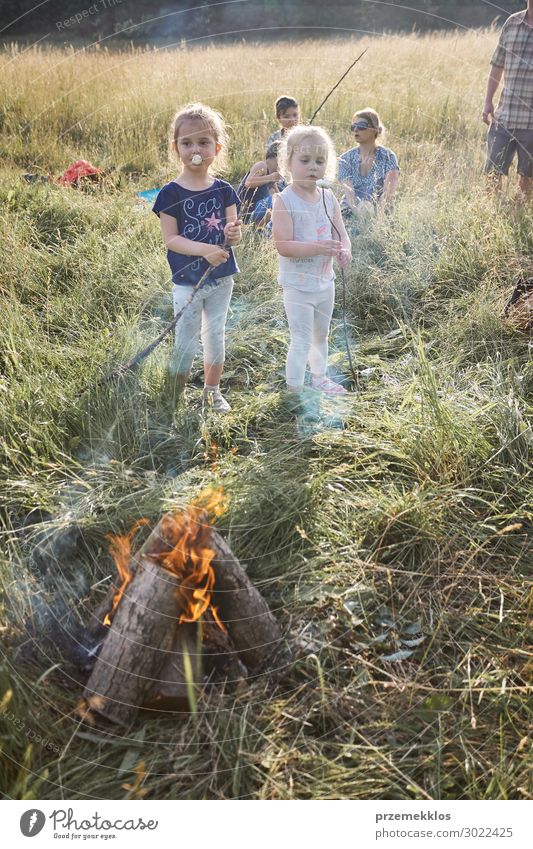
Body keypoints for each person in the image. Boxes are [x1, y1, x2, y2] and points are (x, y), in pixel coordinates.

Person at [152, 103, 242, 414]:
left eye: (204, 142)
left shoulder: (225, 190)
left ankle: (212, 392)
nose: (195, 149)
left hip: (221, 278)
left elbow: (234, 233)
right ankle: (173, 398)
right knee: (186, 341)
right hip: (188, 282)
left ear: (217, 148)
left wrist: (232, 235)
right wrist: (205, 249)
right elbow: (171, 239)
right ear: (175, 147)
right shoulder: (170, 193)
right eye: (187, 142)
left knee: (215, 336)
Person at [272, 125, 352, 396]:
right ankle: (294, 389)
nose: (312, 167)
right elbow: (283, 246)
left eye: (319, 161)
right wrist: (318, 247)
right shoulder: (284, 200)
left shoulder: (329, 198)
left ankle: (319, 378)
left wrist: (345, 250)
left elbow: (341, 233)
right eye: (304, 161)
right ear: (288, 163)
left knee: (321, 335)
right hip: (297, 285)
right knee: (302, 338)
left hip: (324, 282)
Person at [483, 2, 533, 198]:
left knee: (527, 177)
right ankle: (492, 215)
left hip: (531, 123)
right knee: (492, 172)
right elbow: (497, 65)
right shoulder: (512, 23)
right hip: (504, 117)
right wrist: (488, 101)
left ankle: (518, 216)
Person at [338, 108, 399, 221]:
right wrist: (359, 215)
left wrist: (378, 221)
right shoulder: (345, 158)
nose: (356, 129)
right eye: (353, 126)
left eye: (361, 126)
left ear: (374, 129)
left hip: (380, 211)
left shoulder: (388, 156)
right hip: (350, 211)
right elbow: (349, 194)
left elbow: (389, 193)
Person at [237, 141, 282, 229]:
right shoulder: (262, 165)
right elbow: (248, 183)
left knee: (280, 200)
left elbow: (280, 198)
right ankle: (258, 228)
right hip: (246, 212)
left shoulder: (272, 174)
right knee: (275, 200)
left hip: (256, 211)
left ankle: (260, 229)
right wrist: (270, 177)